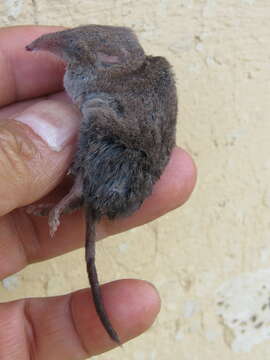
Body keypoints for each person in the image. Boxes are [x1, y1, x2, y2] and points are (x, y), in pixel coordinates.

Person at [0, 26, 196, 358]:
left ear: (106, 61)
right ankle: (69, 200)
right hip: (132, 164)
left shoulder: (108, 87)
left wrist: (25, 149)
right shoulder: (137, 75)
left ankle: (70, 199)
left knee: (98, 125)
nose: (40, 47)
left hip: (127, 157)